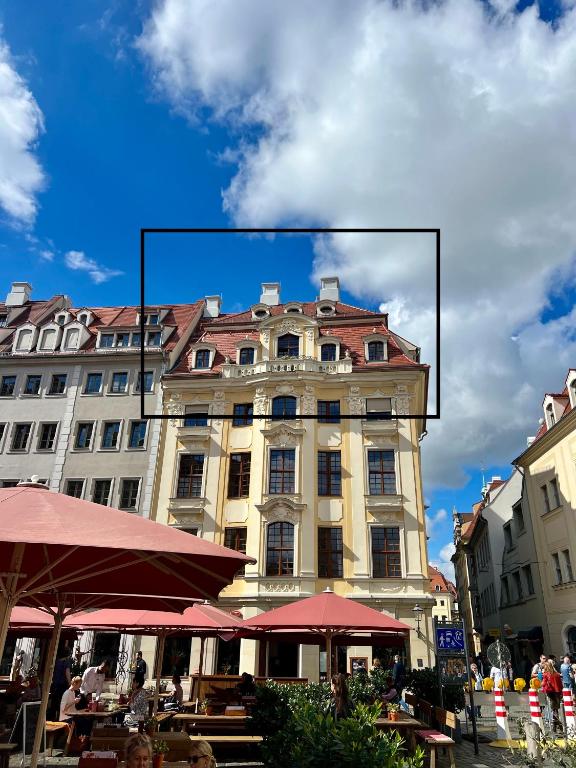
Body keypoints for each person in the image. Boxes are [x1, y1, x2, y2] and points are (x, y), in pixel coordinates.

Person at [50, 647, 72, 720]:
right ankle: (60, 719)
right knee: (61, 702)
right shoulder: (66, 662)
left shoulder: (56, 661)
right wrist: (70, 684)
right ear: (68, 654)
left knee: (54, 702)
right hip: (62, 685)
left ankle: (52, 718)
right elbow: (67, 673)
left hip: (55, 684)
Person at [541, 660, 563, 732]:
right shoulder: (557, 674)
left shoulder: (546, 674)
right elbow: (561, 685)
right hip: (558, 692)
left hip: (550, 693)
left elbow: (543, 684)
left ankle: (557, 725)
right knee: (555, 709)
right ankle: (557, 726)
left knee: (554, 709)